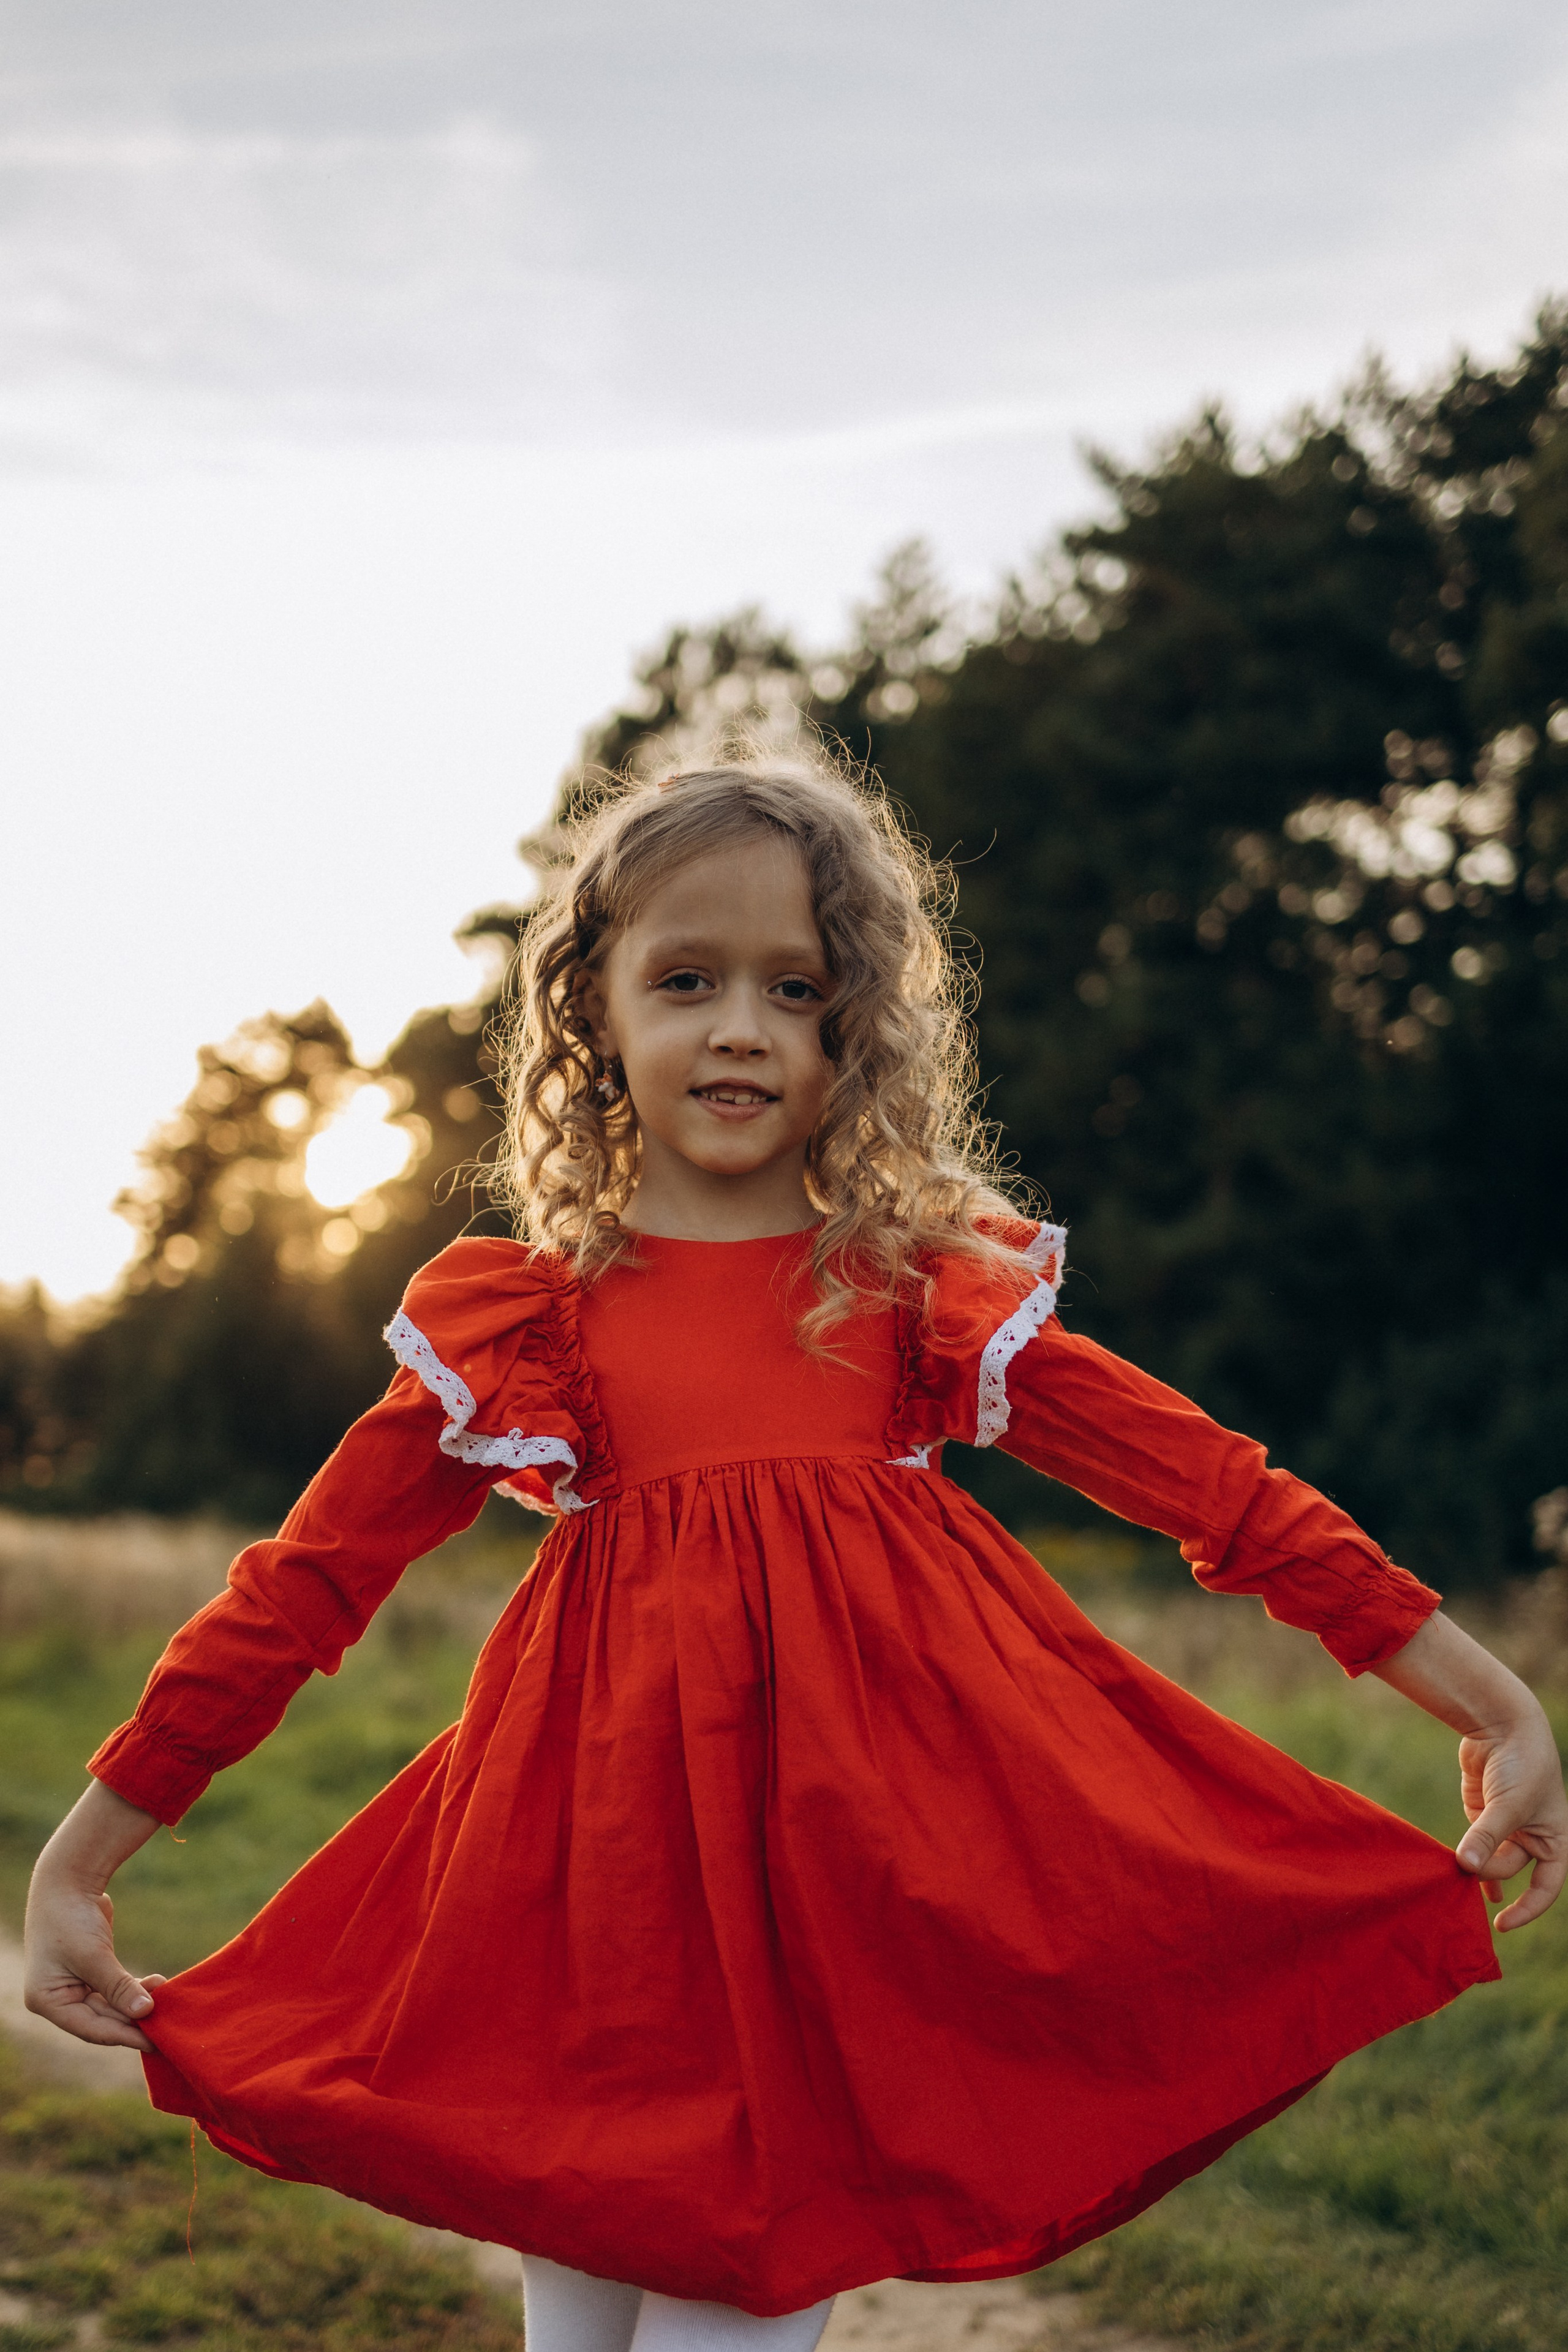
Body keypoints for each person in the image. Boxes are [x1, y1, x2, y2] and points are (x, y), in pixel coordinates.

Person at [24, 751, 1568, 2352]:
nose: (743, 1026)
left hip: (837, 1916)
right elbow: (302, 1589)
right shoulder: (529, 1329)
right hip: (593, 1923)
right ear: (594, 1012)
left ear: (860, 1033)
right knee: (579, 2316)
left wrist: (1489, 1705)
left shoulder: (911, 1293)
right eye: (686, 978)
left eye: (799, 987)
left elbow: (1221, 1496)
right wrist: (82, 1862)